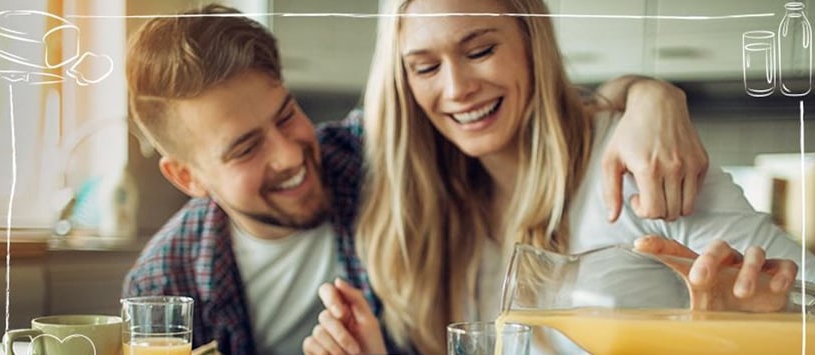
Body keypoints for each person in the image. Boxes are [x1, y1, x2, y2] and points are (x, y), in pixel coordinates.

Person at [123, 3, 711, 355]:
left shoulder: (374, 158)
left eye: (286, 115)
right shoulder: (163, 284)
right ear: (186, 175)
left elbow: (535, 108)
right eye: (247, 147)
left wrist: (649, 95)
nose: (291, 154)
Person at [302, 0, 815, 354]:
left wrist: (750, 330)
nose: (457, 88)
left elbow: (801, 296)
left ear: (531, 40)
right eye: (425, 67)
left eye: (480, 50)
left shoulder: (637, 166)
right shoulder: (429, 204)